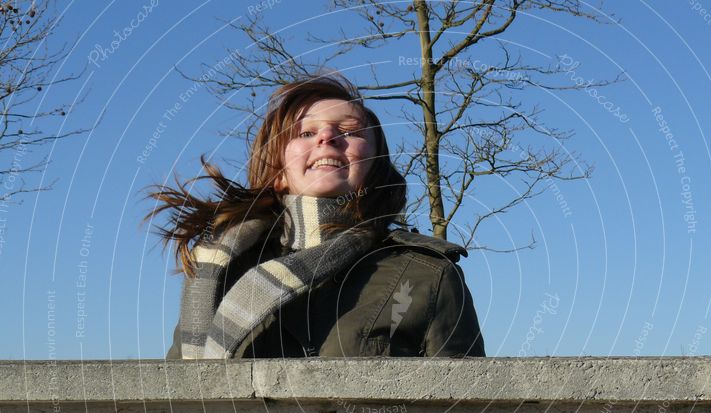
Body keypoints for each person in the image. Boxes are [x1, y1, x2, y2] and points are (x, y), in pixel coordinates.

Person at [152, 73, 485, 359]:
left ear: (375, 167)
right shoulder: (219, 271)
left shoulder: (427, 274)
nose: (328, 137)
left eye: (350, 130)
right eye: (306, 133)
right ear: (277, 171)